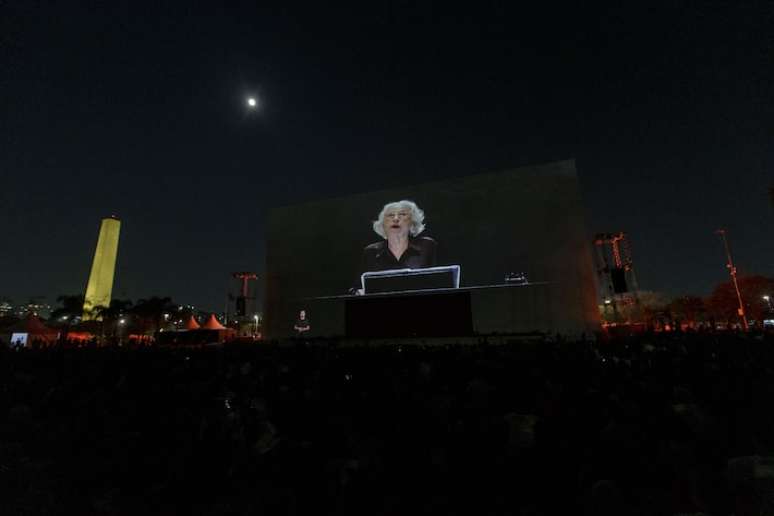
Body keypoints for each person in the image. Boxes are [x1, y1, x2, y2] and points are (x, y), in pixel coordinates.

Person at [362, 200, 437, 272]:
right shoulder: (371, 251)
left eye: (402, 214)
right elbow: (360, 284)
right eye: (390, 215)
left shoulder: (427, 246)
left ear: (412, 222)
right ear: (382, 224)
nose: (396, 219)